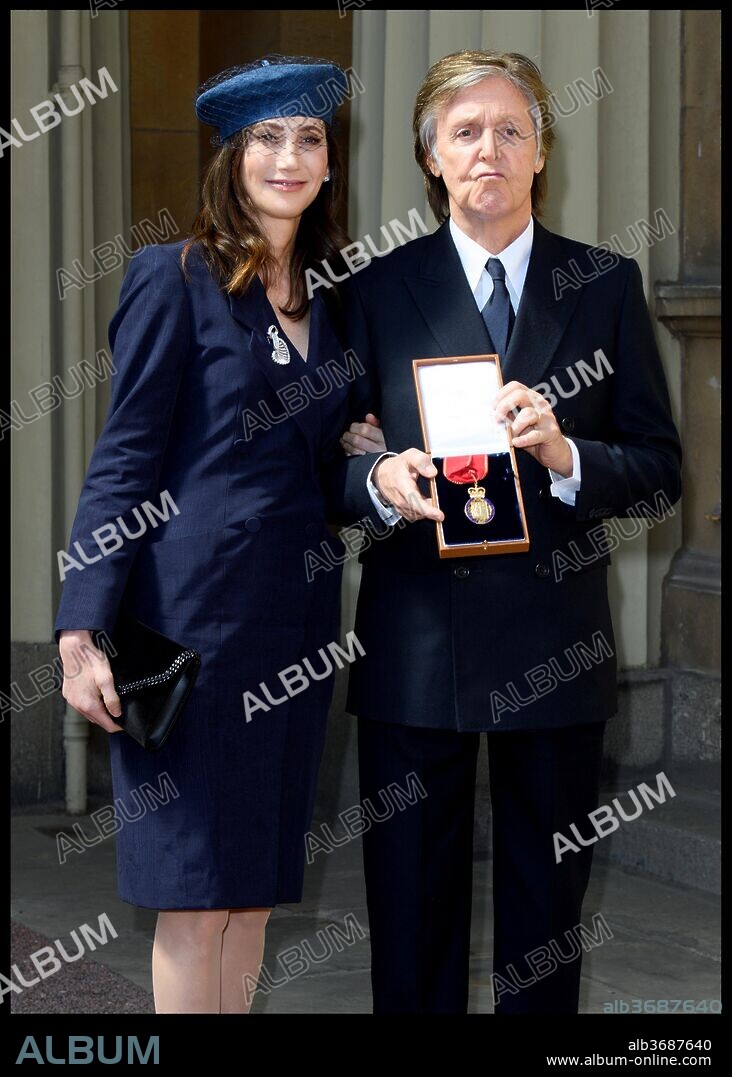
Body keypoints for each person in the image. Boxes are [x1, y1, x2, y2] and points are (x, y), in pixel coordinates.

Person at [336, 49, 682, 1014]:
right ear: (432, 157)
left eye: (510, 130)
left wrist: (570, 455)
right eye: (464, 132)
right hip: (416, 649)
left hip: (555, 648)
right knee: (409, 920)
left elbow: (660, 472)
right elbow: (317, 465)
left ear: (542, 153)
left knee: (546, 923)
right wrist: (375, 475)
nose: (488, 149)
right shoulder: (372, 290)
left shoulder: (605, 285)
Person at [54, 54, 361, 1014]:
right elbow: (123, 460)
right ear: (232, 157)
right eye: (267, 138)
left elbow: (320, 480)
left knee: (253, 897)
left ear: (327, 162)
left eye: (308, 138)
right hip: (183, 632)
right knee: (193, 901)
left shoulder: (336, 304)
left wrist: (373, 452)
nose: (289, 157)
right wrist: (79, 631)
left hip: (294, 634)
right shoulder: (173, 277)